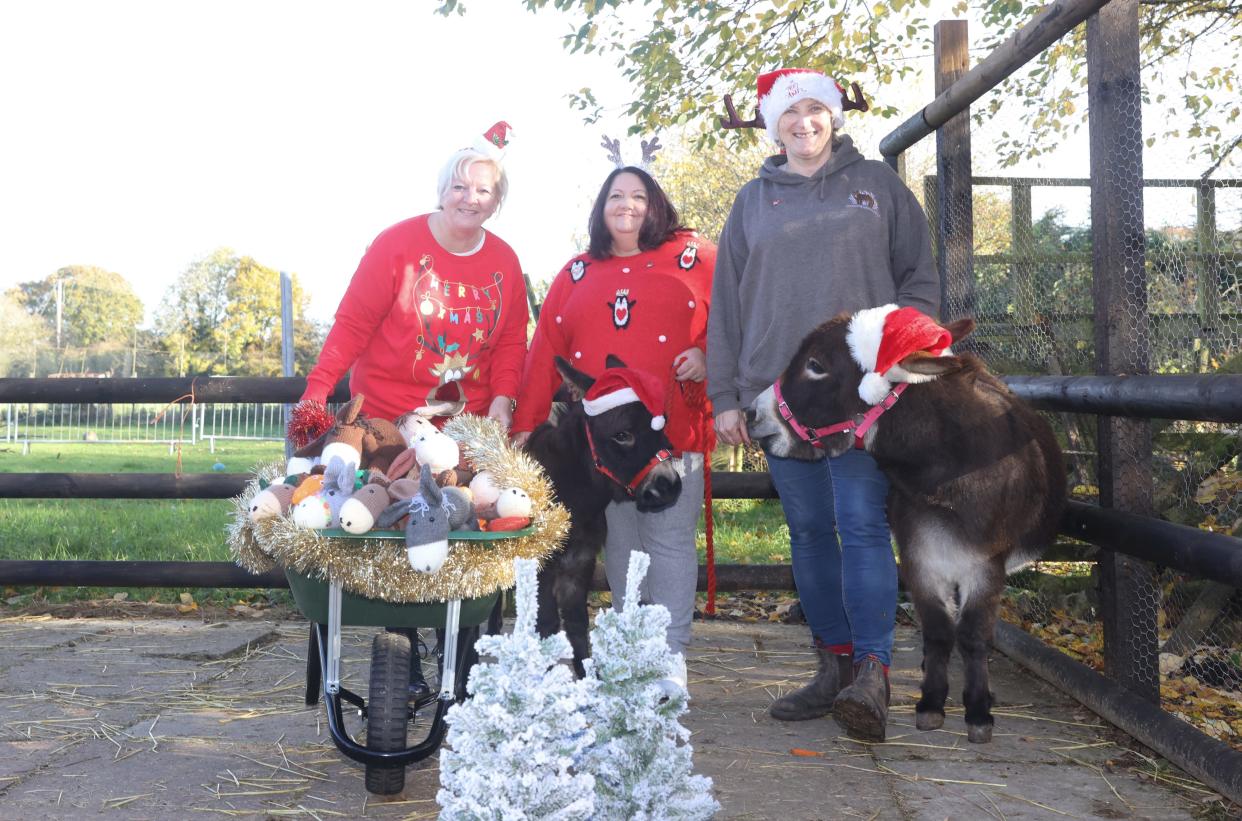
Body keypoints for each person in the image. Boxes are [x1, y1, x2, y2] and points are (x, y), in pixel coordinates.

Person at [706, 69, 939, 741]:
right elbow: (727, 305)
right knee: (808, 530)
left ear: (833, 117)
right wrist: (727, 394)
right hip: (777, 396)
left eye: (815, 110)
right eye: (790, 112)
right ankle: (832, 664)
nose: (803, 122)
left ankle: (875, 672)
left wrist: (898, 356)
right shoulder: (752, 202)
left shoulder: (879, 188)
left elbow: (920, 279)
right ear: (771, 124)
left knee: (862, 523)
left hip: (860, 395)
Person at [296, 122, 530, 698]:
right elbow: (352, 322)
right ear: (441, 189)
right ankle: (410, 661)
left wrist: (502, 402)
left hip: (459, 426)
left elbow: (508, 346)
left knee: (466, 519)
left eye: (484, 191)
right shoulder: (397, 246)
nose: (470, 199)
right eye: (460, 186)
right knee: (381, 519)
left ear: (498, 202)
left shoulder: (504, 261)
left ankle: (461, 657)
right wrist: (317, 390)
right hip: (384, 422)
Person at [512, 161, 716, 691]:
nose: (627, 206)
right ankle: (628, 653)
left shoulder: (699, 259)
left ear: (656, 205)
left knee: (669, 540)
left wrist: (709, 354)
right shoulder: (577, 272)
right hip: (605, 448)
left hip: (673, 428)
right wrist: (526, 424)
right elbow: (544, 353)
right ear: (601, 209)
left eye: (639, 196)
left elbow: (738, 323)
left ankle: (668, 662)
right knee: (623, 544)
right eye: (615, 197)